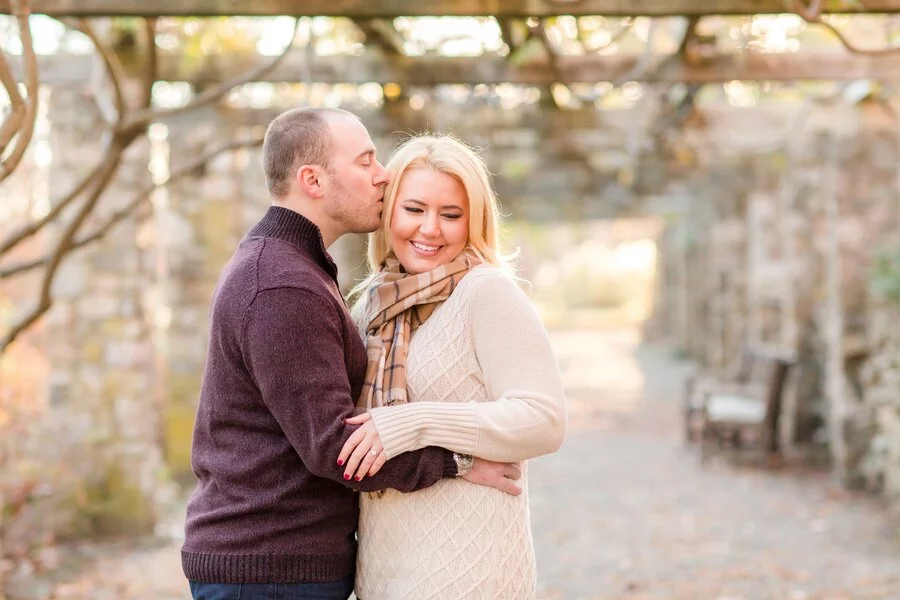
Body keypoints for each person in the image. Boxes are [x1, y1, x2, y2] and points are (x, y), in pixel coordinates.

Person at [181, 108, 521, 600]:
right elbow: (335, 446)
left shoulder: (295, 268)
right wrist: (459, 462)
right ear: (313, 180)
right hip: (271, 570)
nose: (383, 174)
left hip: (279, 566)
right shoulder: (281, 285)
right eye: (365, 161)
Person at [338, 134, 568, 599]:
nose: (430, 230)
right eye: (415, 209)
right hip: (384, 564)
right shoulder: (372, 307)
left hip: (468, 564)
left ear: (473, 222)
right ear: (388, 213)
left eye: (450, 215)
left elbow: (544, 420)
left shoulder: (486, 293)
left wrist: (415, 422)